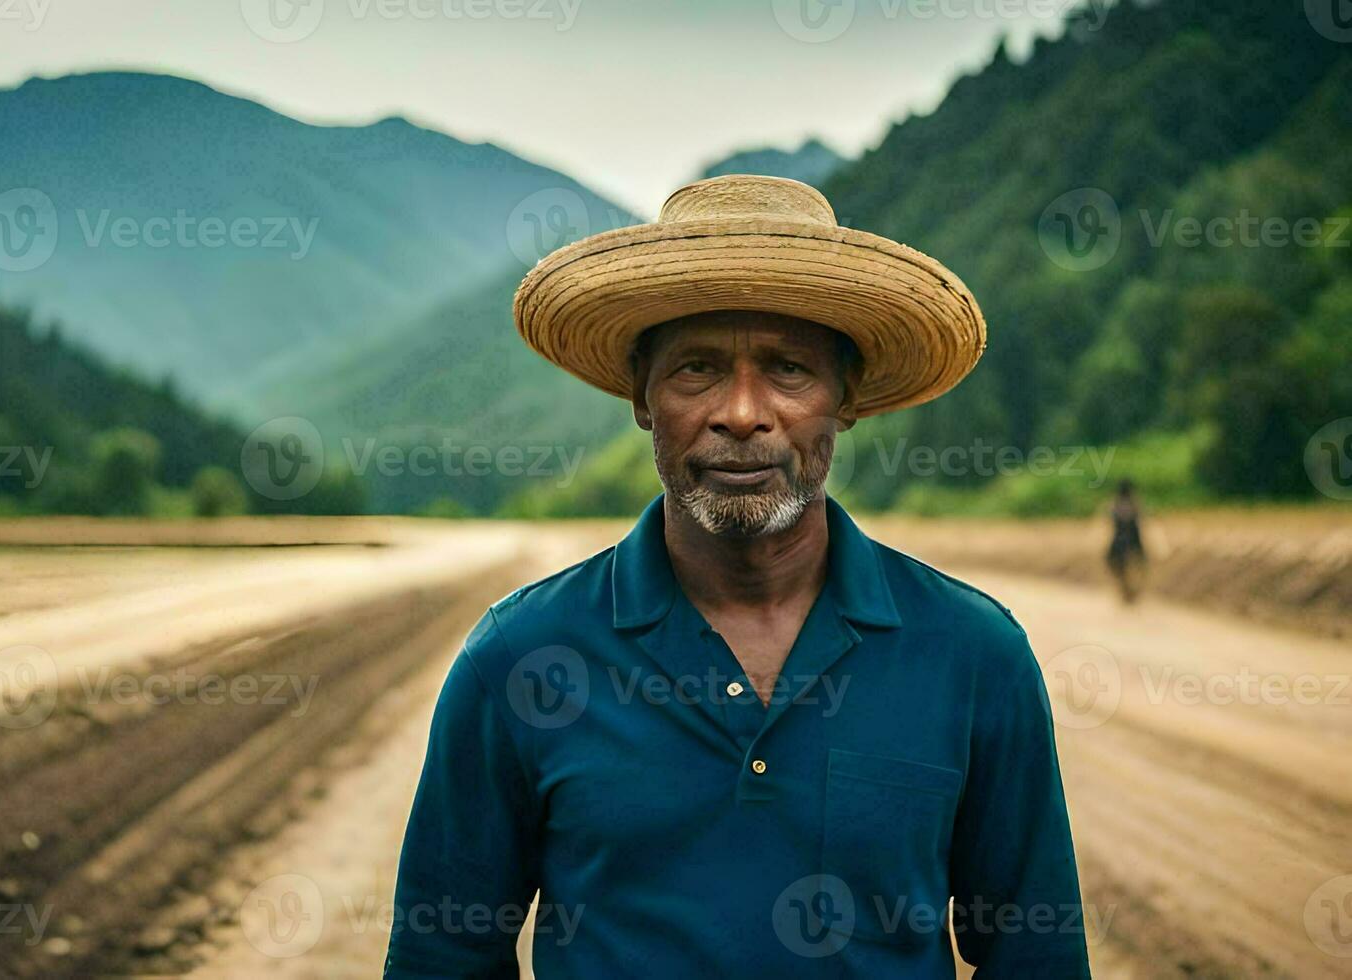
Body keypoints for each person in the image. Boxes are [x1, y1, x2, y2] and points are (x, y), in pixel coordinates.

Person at [384, 175, 1091, 978]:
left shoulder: (972, 654)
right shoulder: (519, 657)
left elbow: (1037, 958)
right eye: (697, 370)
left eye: (789, 369)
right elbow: (442, 959)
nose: (743, 413)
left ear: (845, 399)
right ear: (643, 399)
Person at [1105, 478, 1147, 603]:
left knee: (1113, 562)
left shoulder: (1114, 505)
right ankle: (1131, 590)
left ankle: (1128, 590)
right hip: (1133, 540)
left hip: (1120, 539)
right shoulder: (1135, 504)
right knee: (1141, 562)